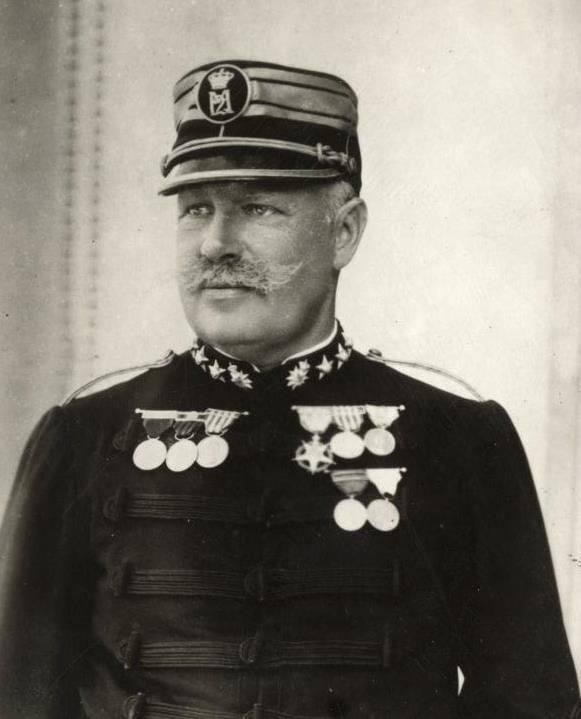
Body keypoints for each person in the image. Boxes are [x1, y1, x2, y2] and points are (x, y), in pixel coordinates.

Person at [0, 59, 579, 719]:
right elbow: (19, 696)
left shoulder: (458, 438)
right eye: (196, 209)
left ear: (344, 232)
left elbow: (531, 699)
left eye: (257, 209)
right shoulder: (84, 437)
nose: (215, 244)